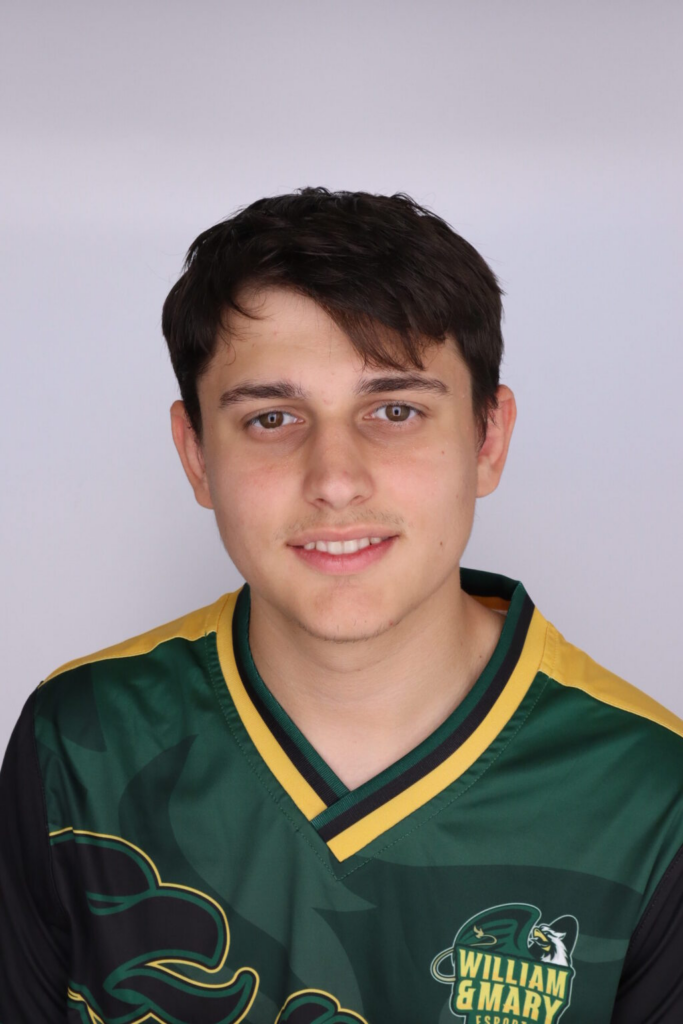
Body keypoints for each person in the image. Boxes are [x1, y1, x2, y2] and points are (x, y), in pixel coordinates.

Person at [0, 187, 681, 1024]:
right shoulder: (79, 742)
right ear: (196, 455)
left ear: (487, 439)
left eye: (394, 411)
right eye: (271, 418)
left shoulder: (653, 796)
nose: (334, 480)